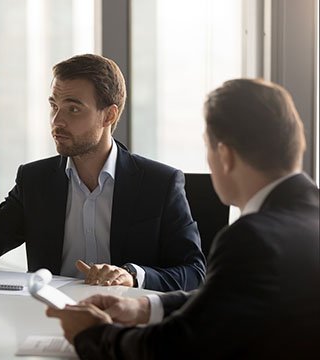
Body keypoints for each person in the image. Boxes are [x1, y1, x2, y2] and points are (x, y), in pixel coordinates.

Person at [46, 78, 320, 359]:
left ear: (225, 155)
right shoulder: (309, 216)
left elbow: (174, 347)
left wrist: (92, 334)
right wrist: (145, 308)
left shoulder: (252, 237)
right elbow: (227, 297)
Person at [0, 54, 205, 292]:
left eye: (73, 109)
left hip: (125, 323)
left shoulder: (159, 183)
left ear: (109, 115)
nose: (57, 121)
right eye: (53, 106)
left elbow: (194, 273)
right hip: (48, 319)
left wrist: (132, 276)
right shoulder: (35, 180)